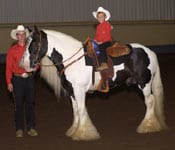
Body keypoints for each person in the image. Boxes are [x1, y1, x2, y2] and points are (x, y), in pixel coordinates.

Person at [6, 25, 38, 138]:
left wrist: (35, 68)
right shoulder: (12, 50)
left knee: (30, 104)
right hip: (17, 80)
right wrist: (9, 82)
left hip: (29, 79)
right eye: (19, 34)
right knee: (18, 105)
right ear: (16, 36)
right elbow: (8, 67)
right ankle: (19, 128)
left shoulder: (30, 48)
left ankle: (31, 127)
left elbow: (36, 62)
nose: (21, 36)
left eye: (23, 34)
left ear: (25, 35)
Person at [92, 6, 113, 71]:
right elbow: (97, 35)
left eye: (102, 17)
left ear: (105, 17)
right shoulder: (98, 26)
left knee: (102, 48)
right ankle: (96, 63)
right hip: (99, 42)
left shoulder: (107, 25)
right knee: (93, 49)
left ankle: (104, 64)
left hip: (106, 42)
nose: (100, 18)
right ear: (97, 18)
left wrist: (101, 42)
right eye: (99, 17)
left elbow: (107, 35)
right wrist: (94, 40)